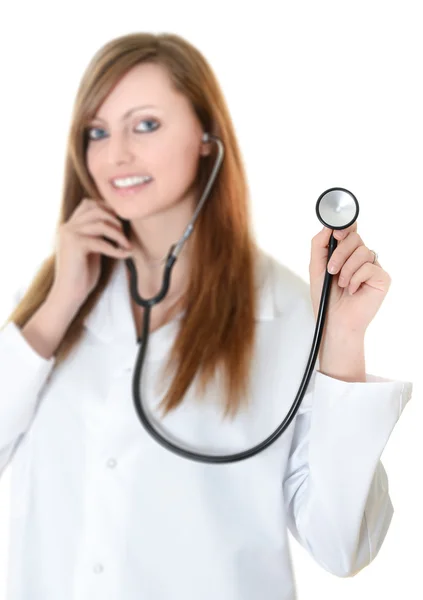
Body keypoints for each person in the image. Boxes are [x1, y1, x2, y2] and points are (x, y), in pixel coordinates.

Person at [0, 32, 413, 600]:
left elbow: (344, 547)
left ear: (205, 138)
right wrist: (56, 309)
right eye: (97, 132)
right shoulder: (51, 298)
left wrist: (341, 341)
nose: (116, 153)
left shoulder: (287, 311)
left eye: (145, 124)